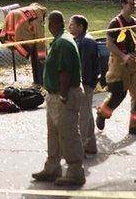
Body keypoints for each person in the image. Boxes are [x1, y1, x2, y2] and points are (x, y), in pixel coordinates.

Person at [32, 11, 85, 186]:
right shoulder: (59, 40)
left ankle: (75, 171)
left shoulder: (63, 42)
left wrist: (62, 94)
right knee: (54, 133)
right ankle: (52, 167)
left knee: (68, 133)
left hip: (64, 94)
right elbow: (54, 66)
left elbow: (65, 72)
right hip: (55, 94)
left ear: (52, 24)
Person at [95, 0, 136, 136]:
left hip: (133, 63)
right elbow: (109, 44)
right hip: (118, 64)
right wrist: (124, 56)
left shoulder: (135, 23)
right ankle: (102, 114)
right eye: (131, 3)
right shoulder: (115, 23)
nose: (134, 6)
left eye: (135, 3)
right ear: (123, 5)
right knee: (119, 94)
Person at [68, 15, 100, 155]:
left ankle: (78, 148)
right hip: (87, 82)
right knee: (87, 113)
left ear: (81, 26)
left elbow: (85, 65)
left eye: (72, 25)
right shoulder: (81, 39)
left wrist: (82, 83)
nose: (70, 27)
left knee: (83, 116)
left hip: (85, 83)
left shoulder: (86, 42)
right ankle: (90, 145)